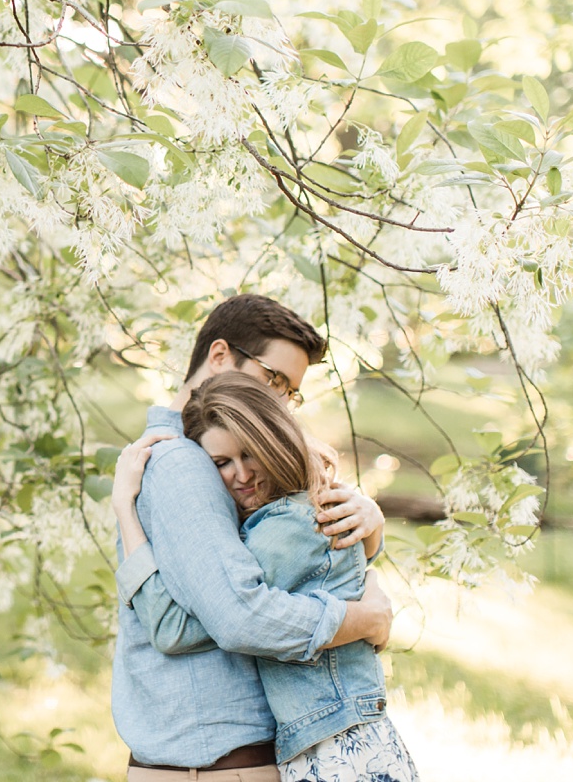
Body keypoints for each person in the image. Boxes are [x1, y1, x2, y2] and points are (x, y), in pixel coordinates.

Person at [109, 293, 393, 781]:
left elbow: (289, 560)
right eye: (273, 379)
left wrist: (369, 528)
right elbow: (238, 616)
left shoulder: (227, 461)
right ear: (219, 357)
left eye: (291, 392)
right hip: (215, 766)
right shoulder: (185, 464)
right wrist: (361, 619)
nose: (279, 402)